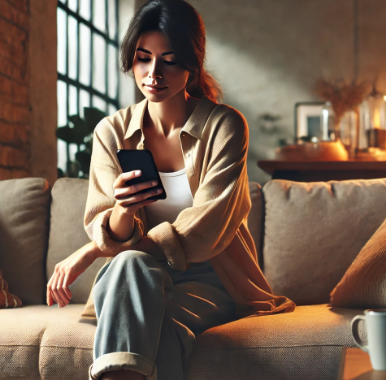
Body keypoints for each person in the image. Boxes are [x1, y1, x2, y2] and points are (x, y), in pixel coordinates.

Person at [45, 1, 296, 379]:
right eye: (143, 59)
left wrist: (90, 251)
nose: (153, 74)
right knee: (132, 265)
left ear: (192, 63)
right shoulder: (111, 132)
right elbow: (108, 223)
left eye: (170, 60)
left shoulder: (224, 126)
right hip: (132, 277)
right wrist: (124, 210)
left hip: (212, 276)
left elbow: (206, 227)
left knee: (159, 325)